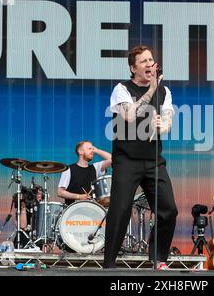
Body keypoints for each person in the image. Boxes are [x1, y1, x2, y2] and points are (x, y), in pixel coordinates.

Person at [103, 45, 178, 269]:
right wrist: (150, 90)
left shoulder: (164, 92)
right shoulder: (121, 89)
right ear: (133, 68)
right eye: (144, 61)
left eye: (151, 60)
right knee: (121, 208)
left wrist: (161, 125)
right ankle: (109, 263)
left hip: (153, 159)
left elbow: (168, 120)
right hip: (127, 159)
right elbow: (129, 115)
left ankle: (158, 258)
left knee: (168, 209)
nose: (149, 64)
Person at [57, 141, 112, 206]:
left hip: (91, 209)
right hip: (72, 210)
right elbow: (60, 192)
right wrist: (79, 197)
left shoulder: (95, 168)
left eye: (93, 149)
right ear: (80, 151)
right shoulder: (68, 169)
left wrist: (97, 150)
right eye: (89, 149)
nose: (92, 151)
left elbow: (113, 159)